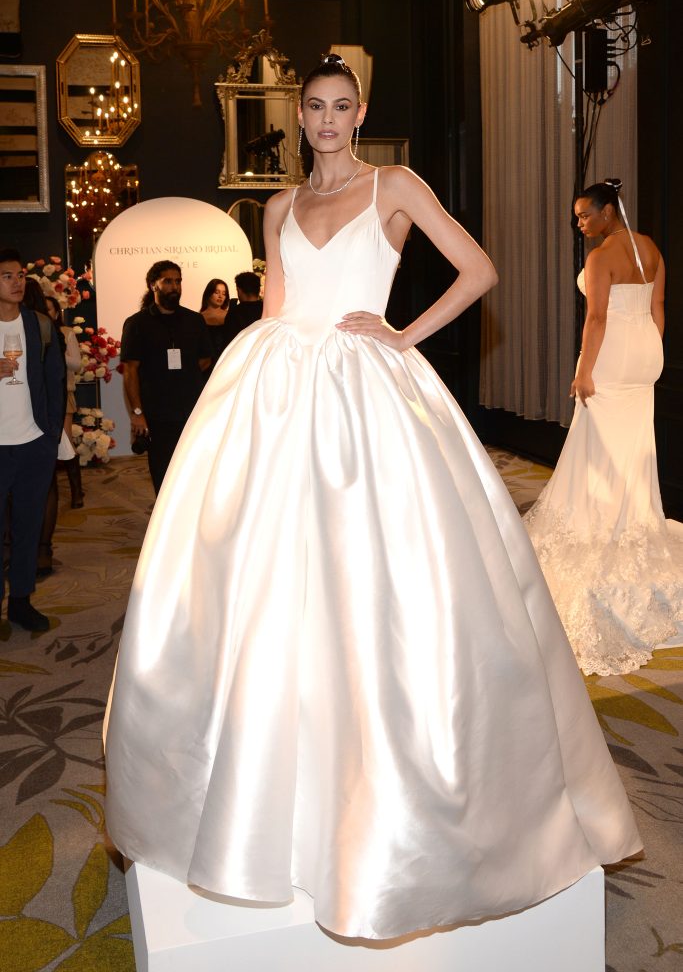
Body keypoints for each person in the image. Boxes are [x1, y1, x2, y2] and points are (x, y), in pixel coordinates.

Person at [105, 57, 641, 941]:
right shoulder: (274, 208)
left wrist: (401, 335)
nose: (324, 120)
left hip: (365, 389)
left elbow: (477, 270)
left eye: (339, 107)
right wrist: (245, 385)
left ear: (360, 113)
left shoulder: (394, 184)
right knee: (256, 577)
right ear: (298, 114)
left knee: (376, 580)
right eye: (312, 108)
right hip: (275, 389)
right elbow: (275, 306)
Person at [524, 179, 682, 676]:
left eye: (584, 215)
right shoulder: (652, 248)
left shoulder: (599, 259)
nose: (580, 223)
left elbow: (595, 319)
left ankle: (602, 520)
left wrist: (584, 371)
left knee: (601, 443)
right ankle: (631, 514)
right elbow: (658, 310)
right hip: (646, 354)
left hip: (610, 355)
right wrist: (648, 349)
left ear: (609, 212)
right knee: (634, 440)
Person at [0, 248, 63, 630]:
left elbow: (56, 380)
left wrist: (50, 433)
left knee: (28, 526)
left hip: (33, 444)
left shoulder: (39, 324)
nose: (18, 281)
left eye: (20, 275)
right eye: (7, 276)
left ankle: (21, 601)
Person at [120, 261, 212, 494]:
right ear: (153, 285)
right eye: (168, 281)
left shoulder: (194, 320)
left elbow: (205, 359)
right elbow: (130, 371)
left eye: (178, 281)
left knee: (194, 469)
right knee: (163, 473)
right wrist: (137, 414)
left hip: (192, 411)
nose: (175, 287)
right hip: (157, 413)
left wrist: (184, 378)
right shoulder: (137, 324)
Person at [45, 294, 84, 508]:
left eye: (51, 309)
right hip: (40, 394)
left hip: (63, 392)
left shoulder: (66, 333)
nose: (47, 313)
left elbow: (76, 364)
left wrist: (56, 350)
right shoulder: (34, 332)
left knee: (65, 441)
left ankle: (77, 491)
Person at [222, 270, 263, 347]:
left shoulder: (234, 314)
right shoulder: (267, 310)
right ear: (258, 289)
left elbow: (229, 344)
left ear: (239, 290)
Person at [199, 278, 230, 369]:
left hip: (226, 363)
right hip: (206, 366)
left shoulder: (230, 316)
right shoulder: (199, 318)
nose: (220, 296)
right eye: (217, 292)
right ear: (208, 293)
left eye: (224, 293)